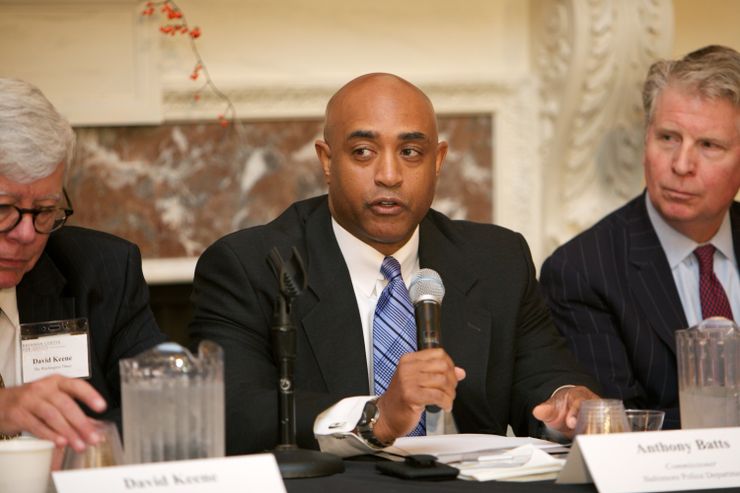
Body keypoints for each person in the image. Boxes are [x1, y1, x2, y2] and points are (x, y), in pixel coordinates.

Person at [190, 73, 599, 457]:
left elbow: (543, 378)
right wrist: (378, 417)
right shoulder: (251, 266)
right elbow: (232, 414)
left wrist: (566, 401)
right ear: (327, 160)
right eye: (363, 152)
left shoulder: (497, 259)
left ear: (437, 161)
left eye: (410, 152)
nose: (389, 175)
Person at [540, 45, 740, 430]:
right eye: (668, 138)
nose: (681, 165)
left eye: (709, 146)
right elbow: (620, 427)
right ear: (646, 138)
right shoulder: (582, 271)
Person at [0, 78, 165, 450]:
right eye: (3, 209)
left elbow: (164, 403)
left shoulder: (101, 270)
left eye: (44, 212)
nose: (26, 234)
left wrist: (86, 447)